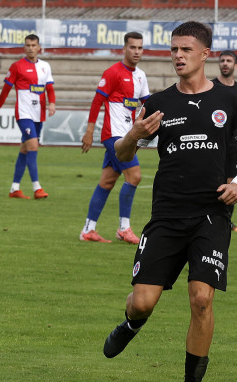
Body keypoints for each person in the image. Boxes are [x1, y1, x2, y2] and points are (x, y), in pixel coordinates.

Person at [101, 21, 237, 382]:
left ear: (204, 54)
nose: (177, 55)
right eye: (174, 49)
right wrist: (135, 134)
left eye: (186, 49)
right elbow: (123, 155)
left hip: (211, 215)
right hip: (166, 216)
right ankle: (131, 323)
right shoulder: (158, 103)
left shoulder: (230, 101)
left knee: (201, 299)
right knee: (142, 302)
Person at [79, 32, 150, 244]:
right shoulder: (112, 73)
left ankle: (88, 230)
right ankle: (124, 228)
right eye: (132, 47)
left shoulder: (141, 76)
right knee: (134, 176)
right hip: (114, 136)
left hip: (128, 136)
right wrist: (90, 132)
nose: (136, 51)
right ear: (124, 49)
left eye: (140, 48)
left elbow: (147, 103)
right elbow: (96, 102)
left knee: (107, 181)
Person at [0, 34, 55, 199]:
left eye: (33, 45)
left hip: (39, 114)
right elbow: (5, 91)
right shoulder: (17, 67)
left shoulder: (45, 66)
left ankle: (14, 189)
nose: (31, 48)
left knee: (25, 149)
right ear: (24, 47)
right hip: (24, 114)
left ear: (39, 47)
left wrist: (52, 103)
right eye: (28, 45)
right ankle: (37, 188)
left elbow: (50, 89)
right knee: (33, 146)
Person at [212, 50, 237, 233]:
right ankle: (211, 219)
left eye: (229, 61)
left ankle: (226, 222)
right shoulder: (211, 85)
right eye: (222, 60)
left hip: (233, 145)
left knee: (232, 184)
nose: (225, 63)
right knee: (215, 182)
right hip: (215, 144)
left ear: (235, 65)